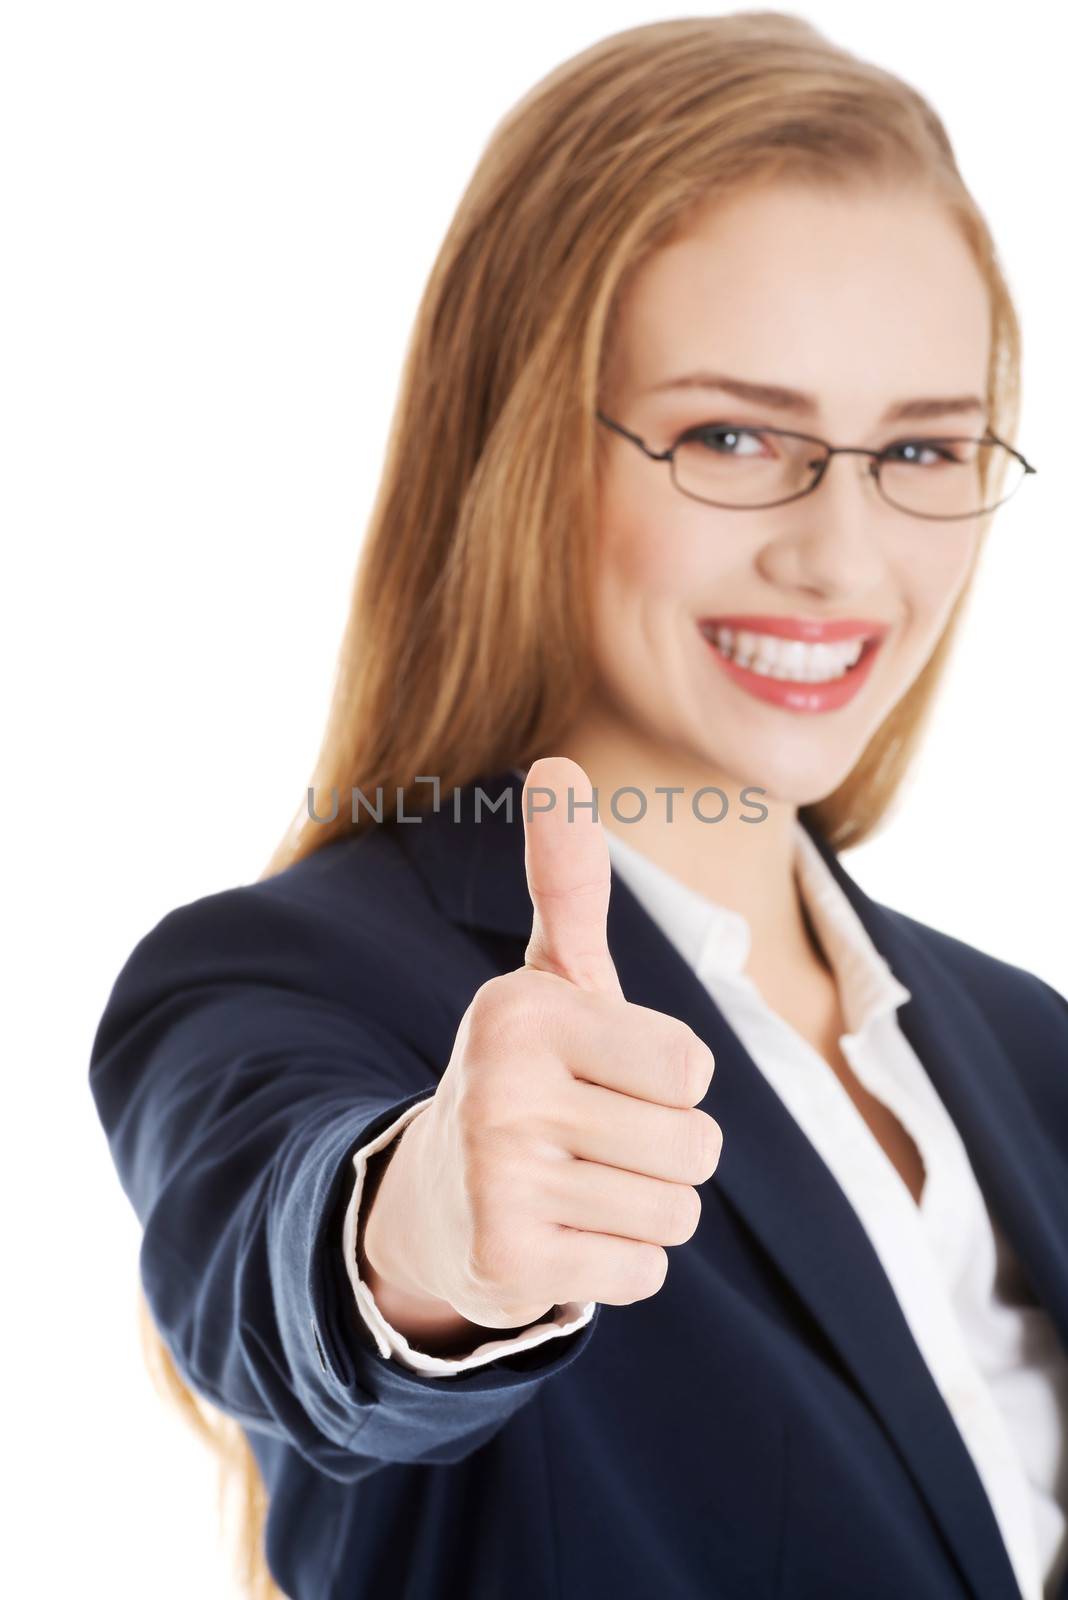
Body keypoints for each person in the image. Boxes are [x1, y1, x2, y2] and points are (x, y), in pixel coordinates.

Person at [88, 13, 1068, 1600]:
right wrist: (428, 1246)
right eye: (732, 435)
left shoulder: (1029, 1045)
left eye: (921, 447)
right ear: (528, 440)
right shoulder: (290, 979)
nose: (842, 556)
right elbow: (294, 1277)